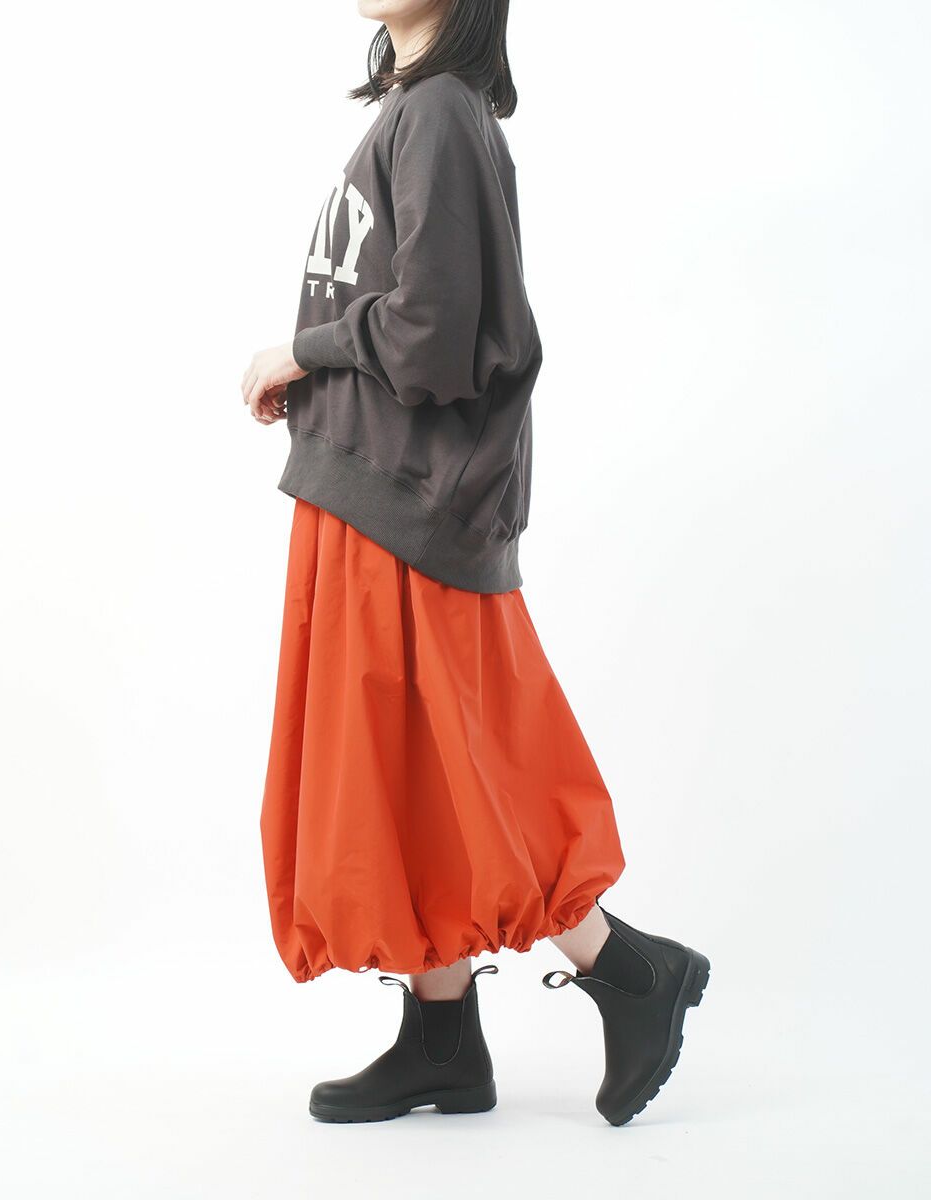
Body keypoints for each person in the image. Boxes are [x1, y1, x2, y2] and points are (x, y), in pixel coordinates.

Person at [241, 0, 709, 1127]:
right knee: (411, 769)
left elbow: (435, 335)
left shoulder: (442, 113)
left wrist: (297, 351)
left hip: (411, 498)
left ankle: (629, 969)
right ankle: (442, 1039)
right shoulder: (416, 110)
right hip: (372, 486)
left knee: (469, 764)